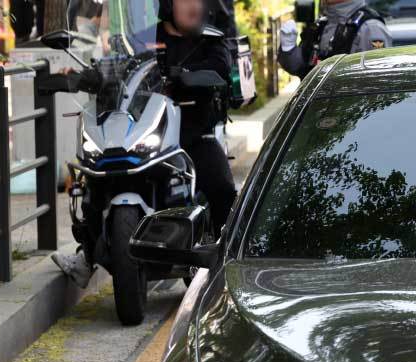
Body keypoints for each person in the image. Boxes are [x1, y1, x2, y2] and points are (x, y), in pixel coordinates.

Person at [52, 0, 237, 287]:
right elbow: (115, 65)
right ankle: (86, 257)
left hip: (191, 135)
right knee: (96, 175)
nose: (194, 5)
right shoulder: (139, 40)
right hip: (142, 129)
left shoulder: (209, 39)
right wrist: (83, 77)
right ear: (168, 4)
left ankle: (230, 260)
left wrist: (187, 75)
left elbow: (221, 66)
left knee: (222, 186)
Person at [278, 0, 391, 79]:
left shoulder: (369, 28)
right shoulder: (322, 23)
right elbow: (301, 68)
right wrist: (288, 49)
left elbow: (376, 82)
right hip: (316, 104)